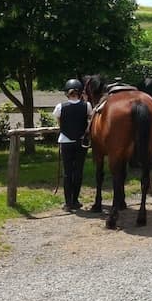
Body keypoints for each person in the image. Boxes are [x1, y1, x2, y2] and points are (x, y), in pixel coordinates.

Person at [53, 78, 92, 210]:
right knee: (78, 171)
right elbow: (89, 120)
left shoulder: (60, 107)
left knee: (67, 172)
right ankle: (75, 200)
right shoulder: (87, 105)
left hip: (66, 141)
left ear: (66, 93)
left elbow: (59, 121)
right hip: (81, 141)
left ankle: (68, 202)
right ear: (80, 92)